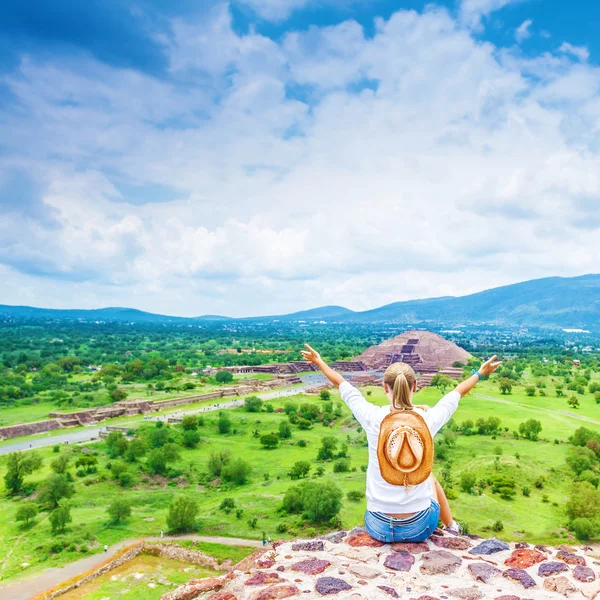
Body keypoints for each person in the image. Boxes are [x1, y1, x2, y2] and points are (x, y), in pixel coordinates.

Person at [301, 344, 501, 543]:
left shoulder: (372, 417)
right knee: (429, 476)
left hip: (378, 527)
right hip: (420, 527)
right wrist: (480, 373)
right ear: (415, 386)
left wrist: (319, 362)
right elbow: (456, 393)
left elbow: (342, 385)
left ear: (384, 386)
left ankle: (446, 526)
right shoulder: (426, 419)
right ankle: (452, 527)